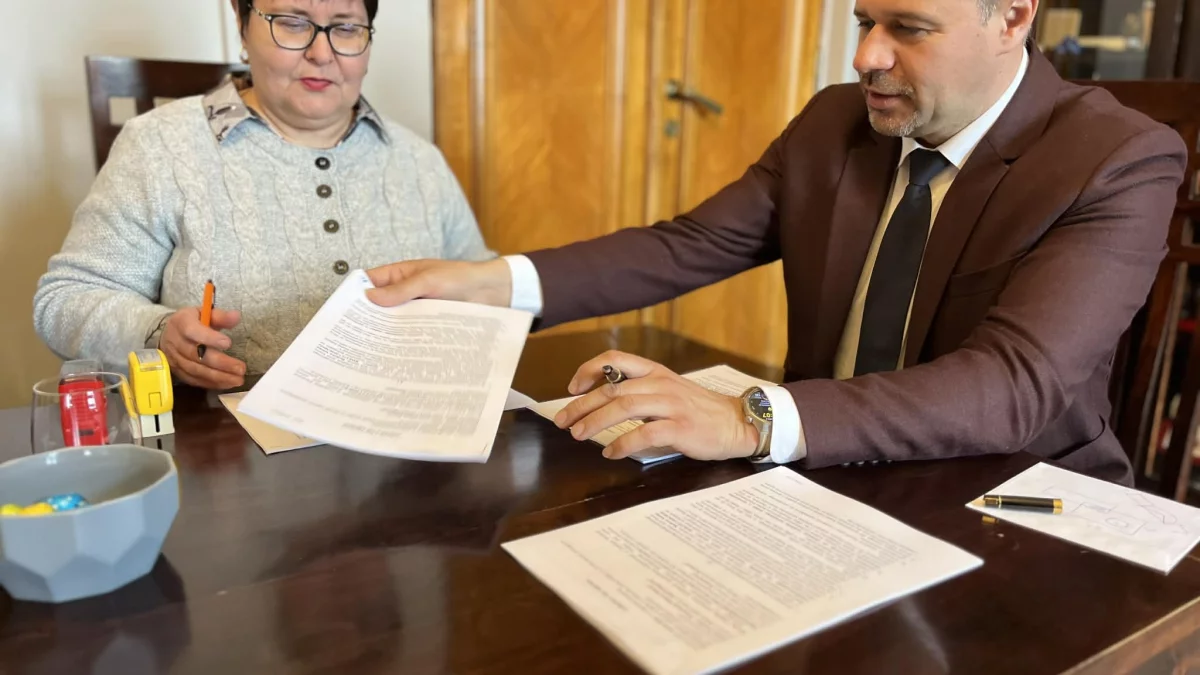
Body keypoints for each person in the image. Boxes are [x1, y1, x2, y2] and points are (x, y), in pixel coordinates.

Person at [366, 0, 1185, 485]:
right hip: (826, 472)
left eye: (907, 28)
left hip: (1008, 498)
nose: (866, 56)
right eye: (864, 20)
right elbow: (687, 245)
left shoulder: (1118, 157)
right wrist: (492, 282)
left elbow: (1012, 385)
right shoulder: (835, 122)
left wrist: (750, 417)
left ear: (1013, 16)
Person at [34, 0, 492, 390]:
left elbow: (484, 286)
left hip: (408, 439)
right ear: (241, 23)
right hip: (228, 446)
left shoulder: (419, 160)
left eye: (346, 29)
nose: (321, 53)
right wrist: (156, 333)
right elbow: (65, 300)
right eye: (292, 23)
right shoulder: (160, 146)